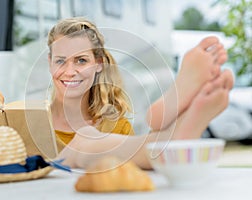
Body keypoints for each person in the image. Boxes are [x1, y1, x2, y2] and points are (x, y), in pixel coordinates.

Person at [47, 17, 234, 169]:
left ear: (99, 64)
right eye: (60, 61)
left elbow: (128, 174)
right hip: (44, 175)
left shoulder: (117, 126)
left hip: (69, 176)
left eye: (80, 60)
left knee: (88, 139)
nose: (70, 71)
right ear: (49, 62)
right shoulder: (25, 119)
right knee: (82, 145)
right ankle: (169, 140)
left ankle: (168, 136)